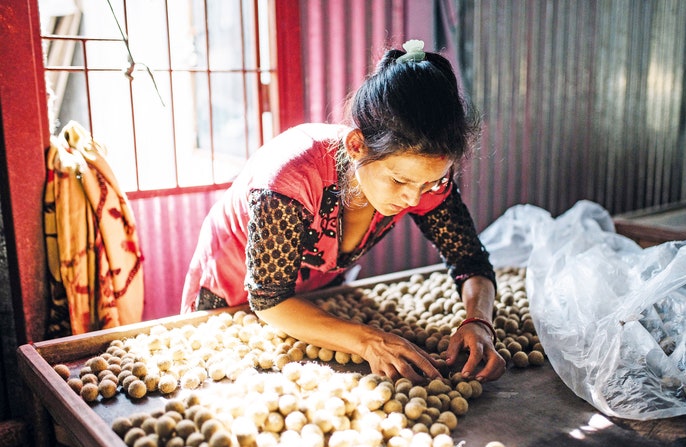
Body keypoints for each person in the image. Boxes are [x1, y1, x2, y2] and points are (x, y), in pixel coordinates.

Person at [181, 40, 505, 383]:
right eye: (398, 181)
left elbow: (470, 261)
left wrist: (479, 321)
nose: (413, 199)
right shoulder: (288, 180)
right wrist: (369, 341)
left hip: (306, 294)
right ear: (356, 146)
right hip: (234, 290)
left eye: (427, 185)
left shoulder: (426, 178)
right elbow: (269, 299)